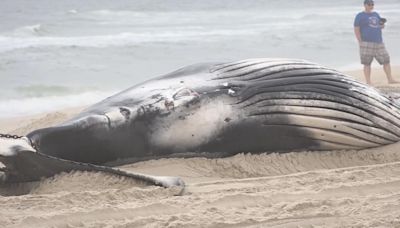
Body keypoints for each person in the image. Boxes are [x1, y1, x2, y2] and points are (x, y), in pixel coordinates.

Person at [354, 0, 398, 85]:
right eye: (369, 4)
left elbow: (380, 26)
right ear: (365, 5)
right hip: (366, 42)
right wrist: (360, 41)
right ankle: (368, 82)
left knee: (386, 60)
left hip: (378, 41)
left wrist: (382, 25)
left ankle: (390, 79)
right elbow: (356, 29)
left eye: (372, 4)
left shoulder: (376, 14)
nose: (371, 6)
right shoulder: (360, 16)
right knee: (367, 63)